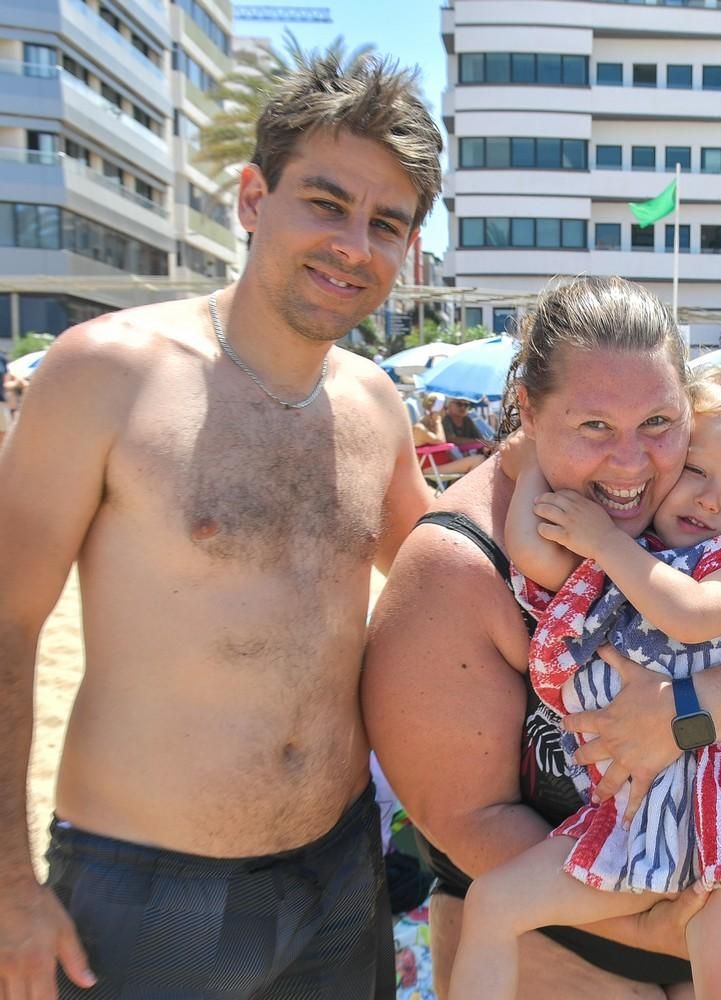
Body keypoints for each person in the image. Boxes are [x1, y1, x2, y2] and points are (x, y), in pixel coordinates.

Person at [0, 54, 440, 998]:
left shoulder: (376, 406)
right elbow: (6, 625)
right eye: (326, 203)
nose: (354, 244)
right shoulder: (107, 374)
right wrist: (6, 889)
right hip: (148, 884)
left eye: (386, 224)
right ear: (252, 197)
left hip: (336, 873)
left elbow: (449, 578)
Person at [362, 275, 721, 999]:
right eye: (593, 426)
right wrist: (650, 916)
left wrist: (684, 713)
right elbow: (468, 816)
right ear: (528, 410)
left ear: (690, 403)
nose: (631, 464)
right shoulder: (457, 563)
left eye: (659, 423)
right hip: (566, 951)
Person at [450, 366, 721, 999]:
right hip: (626, 821)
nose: (712, 499)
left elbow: (690, 614)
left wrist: (604, 542)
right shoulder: (639, 552)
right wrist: (528, 472)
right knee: (492, 905)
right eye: (696, 471)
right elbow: (533, 552)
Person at [413, 393, 485, 478]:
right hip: (431, 468)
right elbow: (441, 441)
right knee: (479, 460)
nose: (445, 412)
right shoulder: (419, 428)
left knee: (483, 459)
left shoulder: (433, 427)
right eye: (444, 408)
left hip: (445, 465)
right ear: (435, 410)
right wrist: (438, 421)